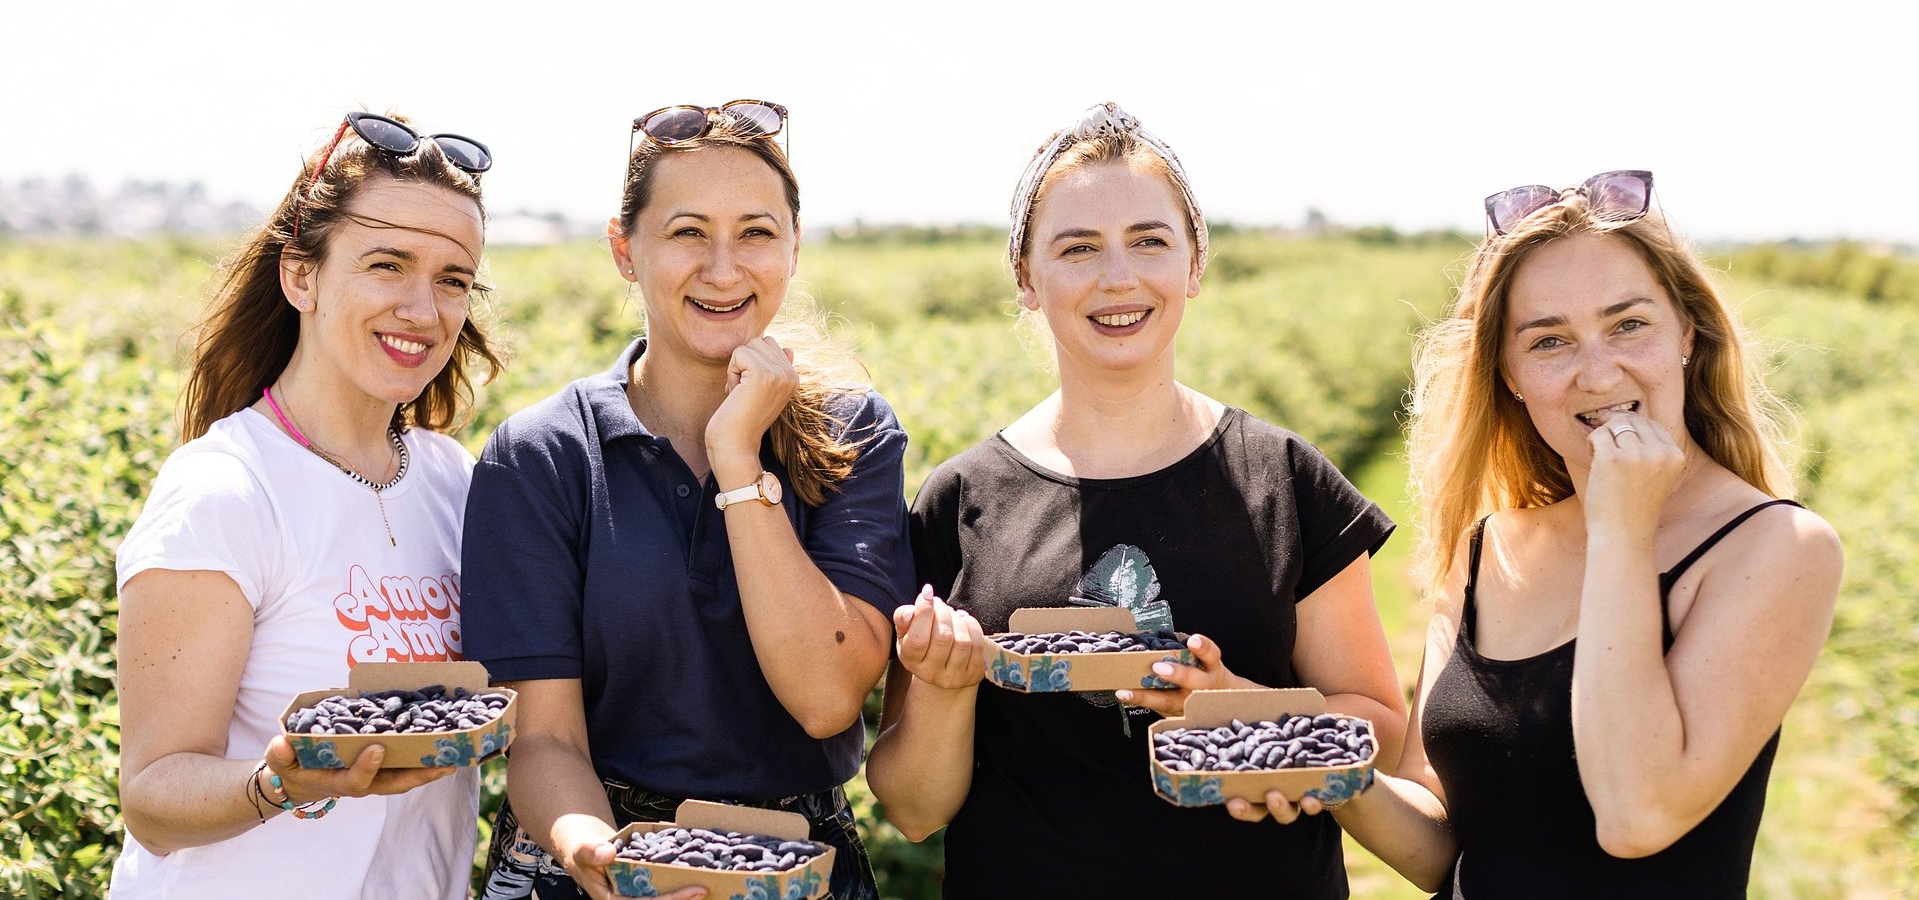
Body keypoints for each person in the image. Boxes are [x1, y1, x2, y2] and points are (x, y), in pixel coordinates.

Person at [1236, 171, 1844, 898]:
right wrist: (1328, 771)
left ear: (1687, 331)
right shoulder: (1487, 549)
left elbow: (1636, 814)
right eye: (1549, 342)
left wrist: (1621, 524)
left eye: (1628, 324)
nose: (1597, 371)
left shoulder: (1776, 548)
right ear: (1511, 376)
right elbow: (1441, 848)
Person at [864, 102, 1408, 899]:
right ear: (1027, 279)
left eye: (1149, 241)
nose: (1118, 276)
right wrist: (946, 688)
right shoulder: (962, 500)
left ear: (1194, 264)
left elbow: (1384, 737)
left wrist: (1245, 708)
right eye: (1078, 248)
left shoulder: (1285, 480)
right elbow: (914, 810)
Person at [462, 100, 912, 900]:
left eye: (757, 232)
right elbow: (546, 740)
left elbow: (824, 696)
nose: (724, 267)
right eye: (687, 232)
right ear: (624, 249)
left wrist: (736, 459)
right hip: (595, 856)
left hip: (797, 868)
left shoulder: (852, 434)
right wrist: (597, 853)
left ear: (794, 247)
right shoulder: (543, 455)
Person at [112, 111, 502, 898]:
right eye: (387, 265)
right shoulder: (225, 491)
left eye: (452, 279)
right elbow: (153, 797)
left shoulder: (455, 483)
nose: (424, 311)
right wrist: (287, 782)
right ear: (302, 276)